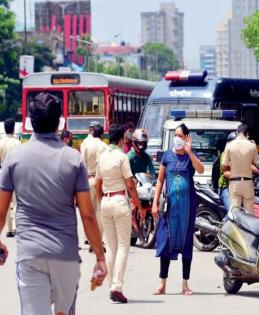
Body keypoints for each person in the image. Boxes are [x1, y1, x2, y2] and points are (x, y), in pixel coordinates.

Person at [0, 92, 107, 314]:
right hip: (65, 255)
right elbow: (87, 215)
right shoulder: (73, 159)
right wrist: (100, 257)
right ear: (60, 122)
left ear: (29, 122)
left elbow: (2, 211)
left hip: (30, 253)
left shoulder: (14, 158)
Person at [152, 123, 204, 296]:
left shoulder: (190, 157)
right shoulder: (167, 156)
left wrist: (189, 152)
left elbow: (201, 169)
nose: (177, 138)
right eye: (176, 135)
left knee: (186, 244)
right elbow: (160, 180)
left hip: (187, 209)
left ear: (187, 138)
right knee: (166, 242)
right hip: (170, 208)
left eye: (180, 135)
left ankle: (185, 284)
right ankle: (162, 283)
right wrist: (154, 202)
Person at [95, 124, 141, 303]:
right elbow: (130, 185)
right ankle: (117, 287)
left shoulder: (103, 156)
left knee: (111, 247)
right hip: (120, 201)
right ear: (121, 138)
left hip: (105, 202)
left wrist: (102, 203)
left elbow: (98, 184)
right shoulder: (122, 156)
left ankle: (111, 286)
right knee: (123, 247)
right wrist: (136, 204)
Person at [81, 124, 108, 253]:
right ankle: (99, 241)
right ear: (102, 135)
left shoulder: (86, 145)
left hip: (88, 180)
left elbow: (81, 164)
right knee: (100, 213)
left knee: (89, 213)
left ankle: (91, 241)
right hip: (101, 182)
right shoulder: (104, 147)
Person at [222, 124, 259, 214]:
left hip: (235, 183)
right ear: (247, 133)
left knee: (235, 213)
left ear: (236, 132)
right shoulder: (252, 146)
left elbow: (224, 166)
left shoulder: (229, 145)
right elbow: (257, 163)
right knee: (249, 214)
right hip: (248, 183)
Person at [0, 118, 21, 238]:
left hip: (3, 172)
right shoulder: (17, 142)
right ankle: (15, 226)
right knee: (17, 202)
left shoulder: (1, 142)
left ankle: (8, 229)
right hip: (15, 172)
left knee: (5, 202)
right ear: (13, 128)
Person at [217, 131, 237, 210]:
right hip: (225, 187)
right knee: (232, 212)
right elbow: (225, 173)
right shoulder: (225, 154)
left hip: (236, 188)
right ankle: (224, 223)